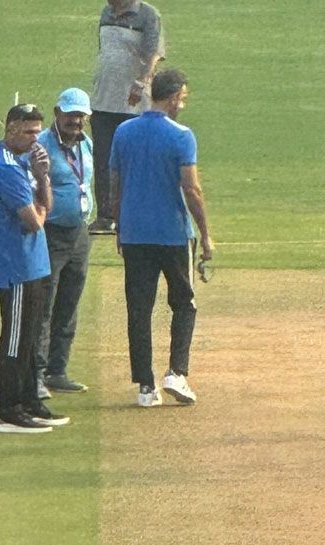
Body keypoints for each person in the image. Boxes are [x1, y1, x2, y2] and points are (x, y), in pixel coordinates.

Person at [109, 69, 214, 407]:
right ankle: (176, 373)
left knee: (138, 309)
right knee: (184, 302)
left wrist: (120, 226)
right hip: (172, 233)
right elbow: (191, 188)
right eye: (182, 97)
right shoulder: (182, 136)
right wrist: (206, 234)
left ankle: (145, 387)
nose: (183, 103)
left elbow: (115, 183)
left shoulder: (124, 132)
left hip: (135, 234)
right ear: (172, 98)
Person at [0, 104, 70, 433]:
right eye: (28, 131)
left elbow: (47, 208)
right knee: (15, 339)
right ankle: (7, 408)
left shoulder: (25, 162)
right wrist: (40, 201)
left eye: (37, 131)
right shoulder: (5, 167)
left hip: (34, 263)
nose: (34, 138)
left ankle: (28, 400)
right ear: (11, 128)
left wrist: (42, 177)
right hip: (16, 266)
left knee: (29, 337)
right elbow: (34, 222)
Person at [35, 89, 94, 400]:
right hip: (50, 234)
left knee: (69, 305)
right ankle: (36, 374)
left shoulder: (86, 144)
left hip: (79, 234)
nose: (76, 121)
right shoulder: (41, 146)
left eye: (81, 115)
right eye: (71, 114)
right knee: (43, 306)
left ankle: (57, 371)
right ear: (57, 111)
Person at [89, 0, 164, 235]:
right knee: (102, 159)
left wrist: (142, 82)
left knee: (134, 160)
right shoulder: (106, 13)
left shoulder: (148, 14)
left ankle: (135, 214)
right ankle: (105, 216)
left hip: (133, 104)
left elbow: (153, 54)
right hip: (103, 99)